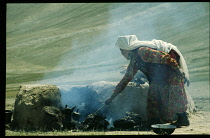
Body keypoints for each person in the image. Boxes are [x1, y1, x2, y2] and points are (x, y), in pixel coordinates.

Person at [105, 35, 190, 127]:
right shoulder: (134, 61)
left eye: (121, 50)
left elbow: (165, 58)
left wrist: (178, 70)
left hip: (171, 72)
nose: (121, 53)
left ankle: (183, 119)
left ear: (127, 48)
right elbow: (125, 80)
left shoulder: (142, 52)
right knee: (153, 96)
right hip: (158, 77)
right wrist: (112, 97)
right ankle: (154, 120)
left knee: (174, 94)